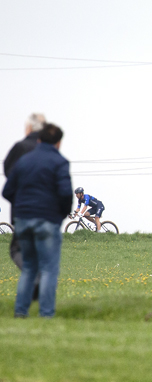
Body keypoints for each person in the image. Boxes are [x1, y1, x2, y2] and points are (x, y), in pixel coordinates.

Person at [2, 123, 72, 318]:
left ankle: (20, 312)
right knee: (49, 269)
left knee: (29, 268)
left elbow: (7, 191)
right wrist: (61, 215)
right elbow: (66, 194)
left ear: (38, 139)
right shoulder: (60, 162)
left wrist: (22, 207)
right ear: (58, 143)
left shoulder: (24, 161)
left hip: (23, 220)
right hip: (48, 219)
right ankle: (46, 314)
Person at [3, 113, 46, 272]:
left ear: (28, 128)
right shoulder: (49, 150)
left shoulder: (21, 147)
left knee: (18, 249)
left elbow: (9, 173)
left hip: (24, 209)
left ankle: (35, 279)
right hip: (46, 211)